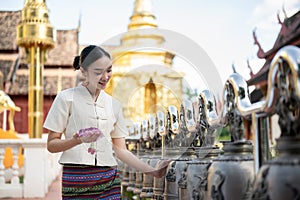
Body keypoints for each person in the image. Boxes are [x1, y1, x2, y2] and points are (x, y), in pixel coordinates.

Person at [44, 45, 170, 199]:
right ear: (83, 71)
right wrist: (76, 140)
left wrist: (152, 171)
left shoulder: (114, 105)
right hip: (77, 179)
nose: (105, 77)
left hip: (108, 179)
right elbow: (51, 144)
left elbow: (121, 150)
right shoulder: (66, 98)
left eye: (108, 70)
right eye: (98, 72)